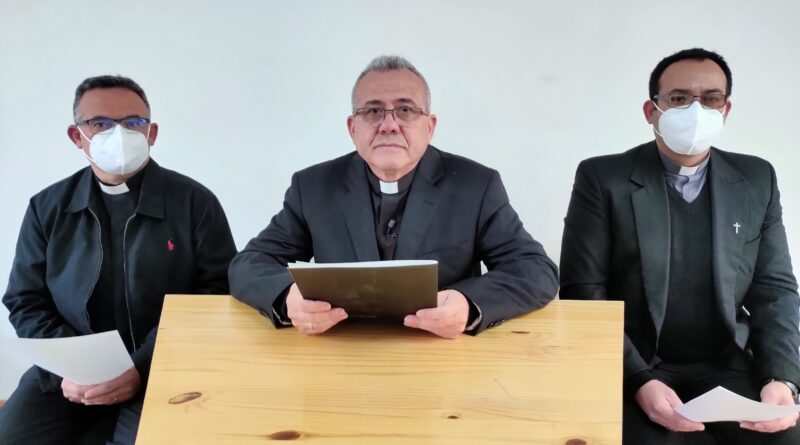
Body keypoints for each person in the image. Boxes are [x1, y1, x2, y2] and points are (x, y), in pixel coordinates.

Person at [560, 48, 800, 444]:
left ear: (725, 109)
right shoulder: (603, 178)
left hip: (725, 363)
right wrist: (636, 379)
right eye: (678, 98)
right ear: (651, 110)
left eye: (711, 99)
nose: (696, 110)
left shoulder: (756, 178)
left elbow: (775, 289)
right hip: (635, 363)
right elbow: (583, 292)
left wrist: (782, 379)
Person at [229, 55, 558, 339]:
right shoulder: (313, 188)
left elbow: (536, 270)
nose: (389, 124)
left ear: (429, 126)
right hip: (342, 352)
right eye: (373, 111)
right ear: (352, 128)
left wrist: (468, 304)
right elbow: (248, 264)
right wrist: (288, 297)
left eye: (405, 109)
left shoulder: (476, 186)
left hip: (440, 357)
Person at [0, 75, 237, 444]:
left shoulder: (194, 202)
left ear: (151, 133)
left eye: (133, 122)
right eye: (100, 123)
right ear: (77, 136)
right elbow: (24, 300)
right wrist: (71, 368)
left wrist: (142, 365)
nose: (119, 134)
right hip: (68, 374)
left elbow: (218, 294)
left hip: (167, 366)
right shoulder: (47, 208)